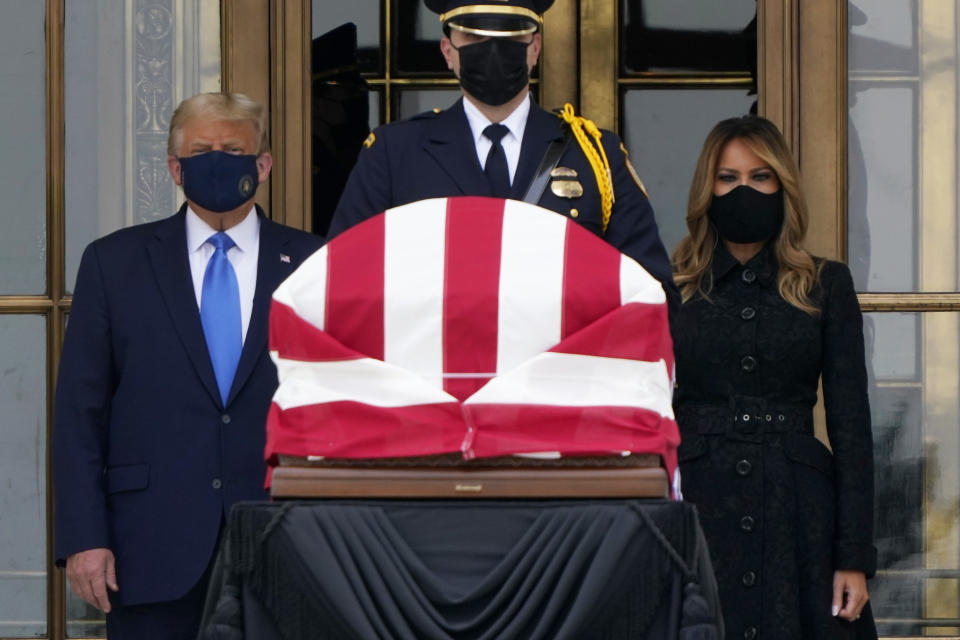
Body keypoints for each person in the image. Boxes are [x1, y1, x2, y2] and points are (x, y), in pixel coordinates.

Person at [52, 92, 323, 639]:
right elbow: (80, 414)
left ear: (263, 165)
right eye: (201, 151)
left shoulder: (318, 263)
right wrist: (83, 537)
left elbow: (345, 401)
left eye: (233, 148)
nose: (217, 159)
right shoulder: (114, 262)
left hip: (288, 542)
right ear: (175, 168)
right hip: (148, 550)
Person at [670, 115, 877, 640]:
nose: (745, 189)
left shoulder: (825, 284)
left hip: (800, 515)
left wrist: (853, 555)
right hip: (696, 505)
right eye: (728, 177)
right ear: (706, 189)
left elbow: (852, 426)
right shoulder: (672, 287)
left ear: (782, 187)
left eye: (761, 177)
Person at [329, 0, 677, 304]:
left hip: (558, 374)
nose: (493, 49)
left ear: (535, 47)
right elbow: (341, 282)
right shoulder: (394, 153)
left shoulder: (594, 155)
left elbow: (649, 291)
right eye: (475, 37)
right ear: (448, 52)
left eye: (509, 37)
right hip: (434, 373)